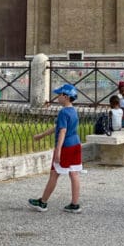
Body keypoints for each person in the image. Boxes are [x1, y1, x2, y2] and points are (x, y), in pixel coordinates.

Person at [28, 83, 83, 214]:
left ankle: (43, 202)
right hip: (76, 144)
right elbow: (58, 127)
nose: (57, 97)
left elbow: (62, 131)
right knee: (74, 173)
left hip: (66, 146)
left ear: (66, 96)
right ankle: (75, 204)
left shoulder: (63, 112)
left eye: (59, 95)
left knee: (54, 173)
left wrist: (58, 150)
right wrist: (41, 135)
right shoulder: (73, 111)